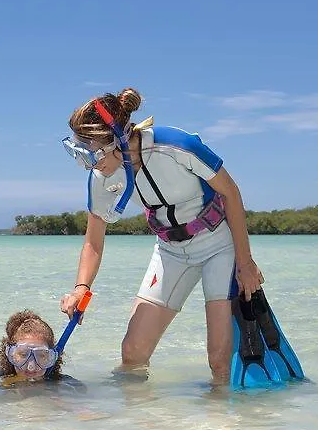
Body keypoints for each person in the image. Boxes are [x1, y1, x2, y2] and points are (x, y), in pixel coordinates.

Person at [59, 88, 264, 384]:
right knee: (132, 353)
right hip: (169, 250)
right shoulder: (102, 177)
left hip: (218, 244)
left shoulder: (177, 145)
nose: (89, 164)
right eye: (79, 152)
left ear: (118, 137)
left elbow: (230, 192)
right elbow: (93, 241)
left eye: (90, 152)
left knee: (219, 360)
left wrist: (245, 263)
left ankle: (223, 426)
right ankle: (141, 424)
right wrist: (80, 288)